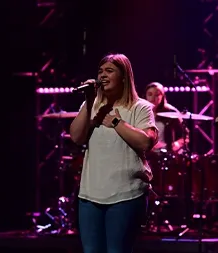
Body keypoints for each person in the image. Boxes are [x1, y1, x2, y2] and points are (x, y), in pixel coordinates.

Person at [69, 53, 158, 253]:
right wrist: (89, 101)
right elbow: (76, 137)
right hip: (90, 195)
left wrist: (117, 123)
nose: (103, 76)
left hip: (125, 195)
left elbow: (145, 142)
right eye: (100, 71)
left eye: (109, 71)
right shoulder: (91, 105)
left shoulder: (140, 107)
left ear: (124, 76)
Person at [145, 82, 188, 153]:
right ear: (145, 96)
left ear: (162, 96)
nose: (152, 98)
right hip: (146, 154)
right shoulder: (141, 112)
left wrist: (177, 144)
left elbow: (185, 136)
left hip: (165, 154)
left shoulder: (171, 112)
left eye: (157, 95)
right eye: (150, 94)